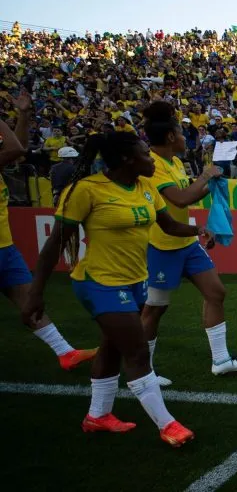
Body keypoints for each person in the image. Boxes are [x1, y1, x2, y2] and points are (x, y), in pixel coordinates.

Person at [24, 131, 208, 446]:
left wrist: (199, 229)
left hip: (136, 281)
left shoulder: (146, 186)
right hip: (99, 282)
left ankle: (98, 416)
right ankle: (168, 425)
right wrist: (35, 294)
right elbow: (55, 243)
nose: (151, 160)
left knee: (111, 347)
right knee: (136, 351)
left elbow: (167, 225)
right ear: (126, 159)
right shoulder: (86, 190)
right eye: (145, 154)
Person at [139, 101, 237, 387]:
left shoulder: (175, 162)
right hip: (163, 246)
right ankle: (142, 371)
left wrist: (212, 182)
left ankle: (221, 361)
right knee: (155, 309)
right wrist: (204, 176)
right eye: (180, 132)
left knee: (216, 292)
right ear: (170, 137)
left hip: (187, 243)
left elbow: (189, 193)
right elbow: (178, 199)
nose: (184, 137)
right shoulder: (153, 167)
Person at [4, 92, 95, 371]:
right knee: (27, 297)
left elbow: (16, 150)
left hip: (4, 247)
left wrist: (22, 116)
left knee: (28, 298)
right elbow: (16, 150)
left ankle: (64, 352)